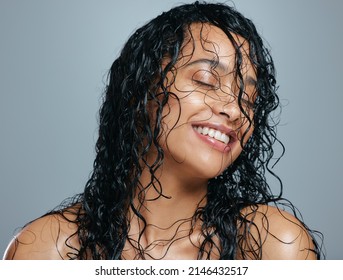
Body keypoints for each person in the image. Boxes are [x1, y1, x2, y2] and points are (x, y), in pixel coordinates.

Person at [3, 1, 324, 260]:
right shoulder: (49, 250)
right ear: (142, 91)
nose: (235, 109)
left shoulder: (273, 247)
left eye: (249, 100)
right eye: (206, 80)